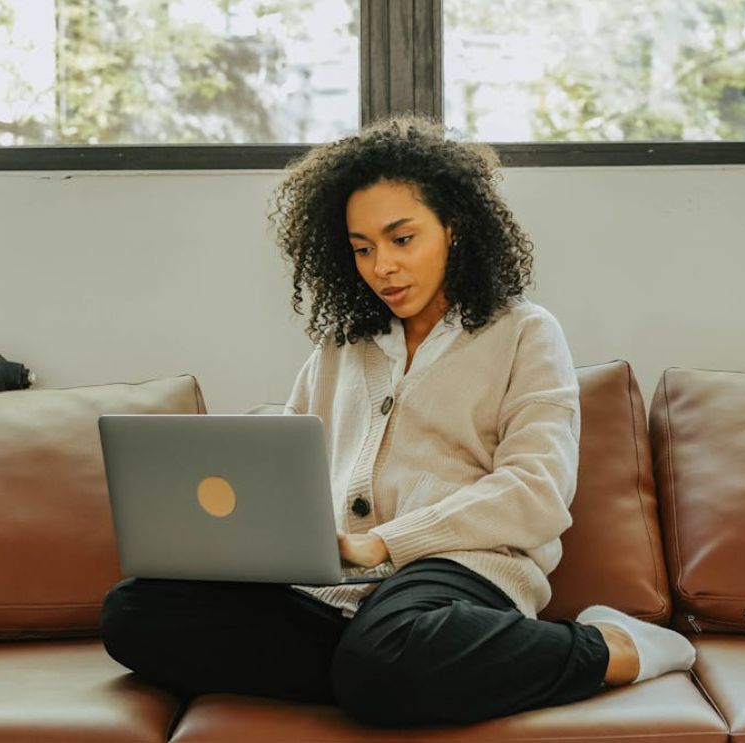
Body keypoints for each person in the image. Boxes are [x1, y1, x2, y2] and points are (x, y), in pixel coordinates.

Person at [99, 115, 695, 728]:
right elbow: (289, 468)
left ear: (454, 229)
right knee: (134, 613)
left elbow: (536, 492)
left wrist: (386, 542)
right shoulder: (340, 348)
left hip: (460, 574)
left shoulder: (524, 333)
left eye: (402, 239)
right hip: (332, 595)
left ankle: (611, 649)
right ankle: (386, 673)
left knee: (389, 651)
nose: (381, 266)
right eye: (362, 248)